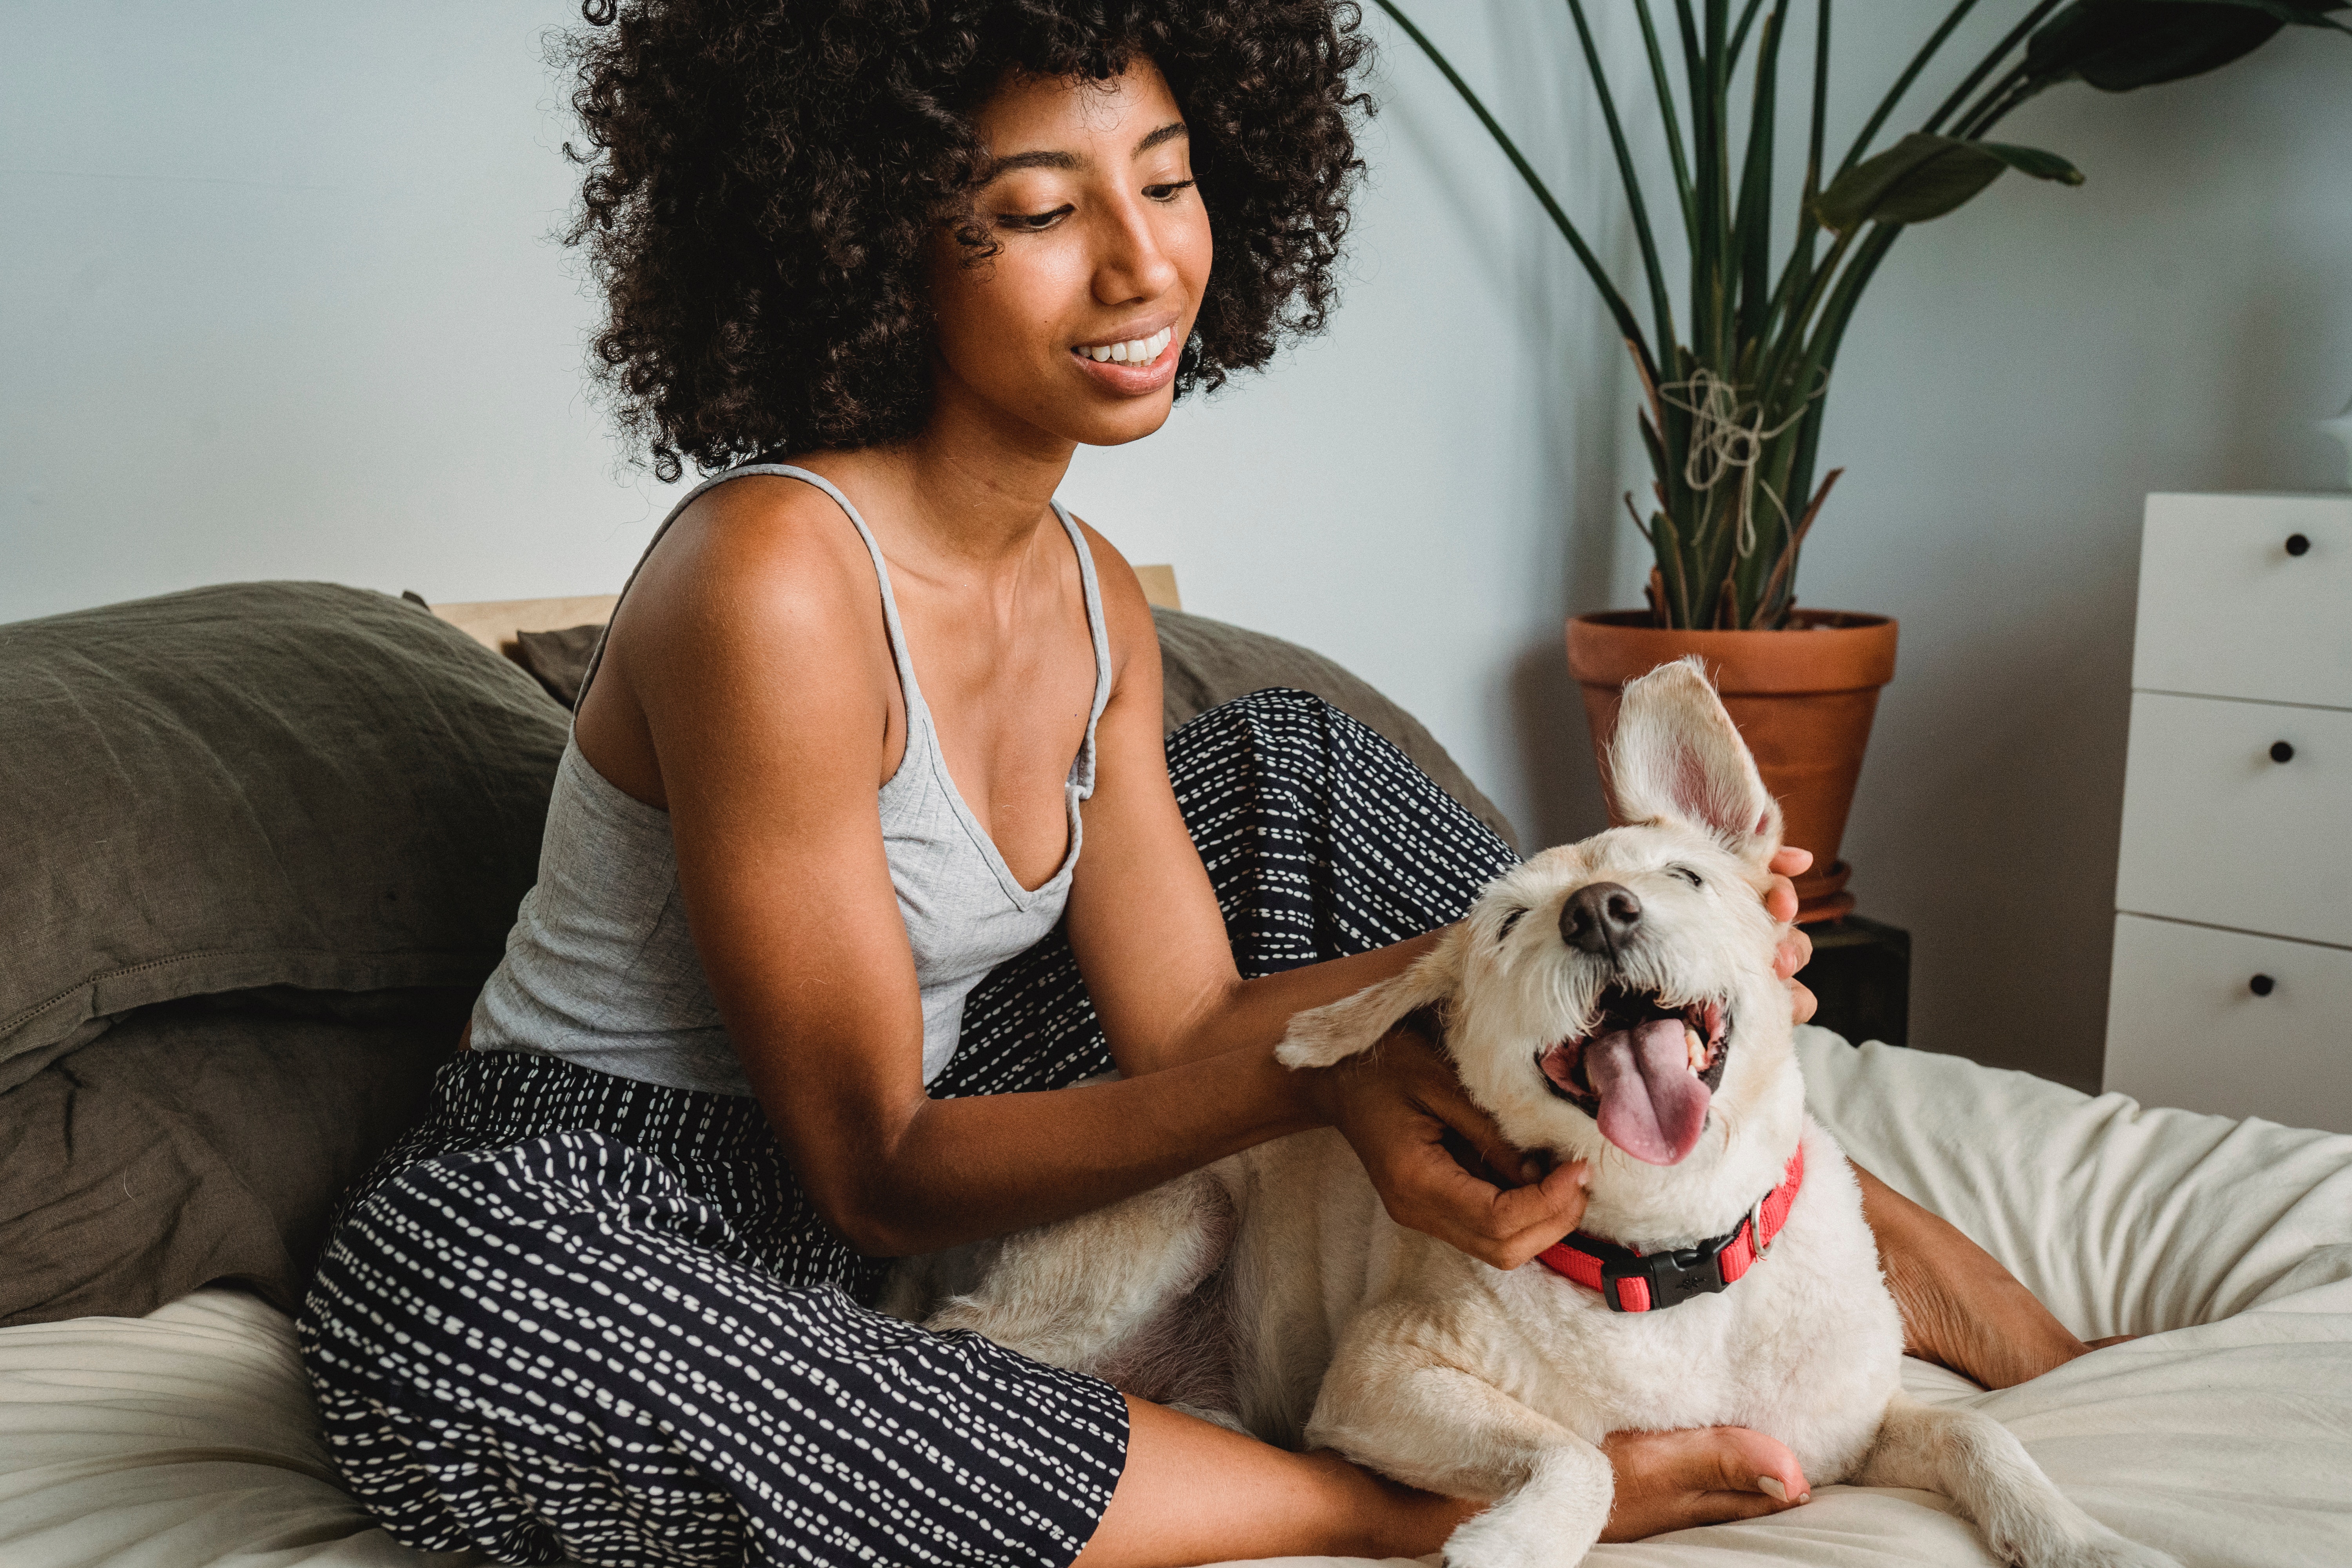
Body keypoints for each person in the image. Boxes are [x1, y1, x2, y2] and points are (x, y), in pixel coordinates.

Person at [299, 5, 2109, 1564]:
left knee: (1293, 777)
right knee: (462, 1318)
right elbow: (868, 1164)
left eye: (1166, 180)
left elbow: (1180, 1033)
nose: (1144, 261)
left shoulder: (1094, 597)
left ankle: (1824, 1214)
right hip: (620, 1193)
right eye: (1035, 211)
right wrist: (1333, 1100)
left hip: (946, 1112)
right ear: (866, 245)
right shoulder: (771, 576)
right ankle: (1377, 1509)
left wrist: (1638, 950)